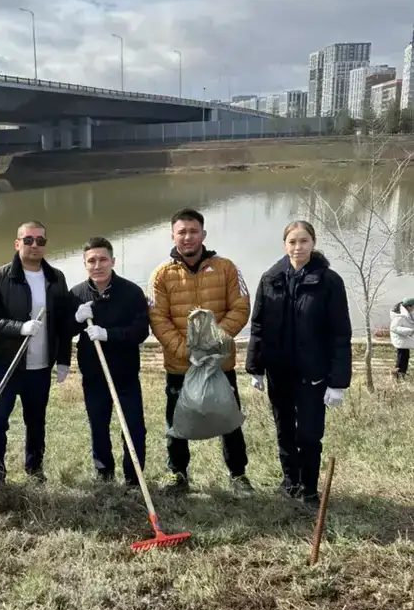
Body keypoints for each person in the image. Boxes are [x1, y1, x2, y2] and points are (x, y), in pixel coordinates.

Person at [246, 220, 352, 513]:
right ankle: (290, 481)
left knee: (309, 434)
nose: (298, 247)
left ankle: (309, 488)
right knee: (284, 430)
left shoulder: (329, 281)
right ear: (285, 245)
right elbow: (258, 325)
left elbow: (340, 333)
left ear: (313, 243)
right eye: (292, 242)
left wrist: (338, 382)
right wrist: (255, 366)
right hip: (279, 371)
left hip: (313, 373)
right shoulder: (271, 278)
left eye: (304, 241)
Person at [148, 208, 254, 495]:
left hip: (219, 363)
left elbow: (241, 307)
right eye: (181, 232)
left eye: (193, 231)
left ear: (203, 234)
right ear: (173, 236)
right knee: (176, 421)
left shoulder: (226, 268)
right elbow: (158, 318)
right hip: (180, 365)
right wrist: (186, 351)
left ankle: (238, 475)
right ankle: (178, 474)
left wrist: (213, 342)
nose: (188, 237)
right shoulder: (161, 275)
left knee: (229, 418)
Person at [0, 220, 71, 485]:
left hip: (40, 367)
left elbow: (63, 322)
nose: (34, 245)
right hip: (7, 365)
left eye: (40, 241)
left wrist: (63, 359)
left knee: (36, 420)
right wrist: (19, 328)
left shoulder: (56, 278)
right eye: (28, 240)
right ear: (17, 243)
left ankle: (35, 468)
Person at [70, 237, 149, 488]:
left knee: (133, 427)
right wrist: (75, 319)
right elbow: (64, 330)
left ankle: (133, 479)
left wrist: (108, 334)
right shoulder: (77, 294)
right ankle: (104, 475)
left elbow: (141, 331)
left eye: (103, 259)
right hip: (93, 375)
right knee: (98, 426)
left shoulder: (131, 292)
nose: (97, 265)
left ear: (113, 261)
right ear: (85, 264)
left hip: (125, 374)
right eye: (91, 261)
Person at [389, 297, 414, 381]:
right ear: (409, 306)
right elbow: (394, 328)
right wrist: (410, 331)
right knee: (401, 358)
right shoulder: (399, 316)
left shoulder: (407, 313)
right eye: (413, 306)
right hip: (401, 341)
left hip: (405, 340)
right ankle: (397, 376)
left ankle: (401, 375)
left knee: (405, 357)